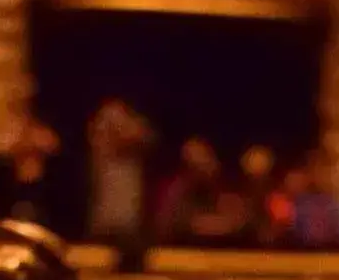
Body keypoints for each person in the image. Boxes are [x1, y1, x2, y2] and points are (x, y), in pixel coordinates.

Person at [87, 98, 153, 253]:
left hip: (130, 227)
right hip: (104, 224)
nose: (117, 126)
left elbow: (143, 136)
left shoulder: (136, 153)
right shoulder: (100, 152)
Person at [157, 137, 243, 245]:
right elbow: (169, 226)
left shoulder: (225, 189)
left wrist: (224, 224)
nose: (203, 169)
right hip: (184, 253)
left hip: (224, 253)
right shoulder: (176, 191)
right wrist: (200, 224)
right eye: (195, 166)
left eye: (206, 161)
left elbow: (239, 222)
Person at [240, 144, 292, 247]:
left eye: (260, 162)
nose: (257, 166)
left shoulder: (278, 194)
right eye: (253, 162)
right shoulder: (240, 193)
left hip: (275, 248)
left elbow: (283, 222)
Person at [286, 160, 339, 248]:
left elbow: (335, 229)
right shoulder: (301, 201)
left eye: (325, 174)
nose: (321, 178)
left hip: (328, 248)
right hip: (302, 248)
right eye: (318, 174)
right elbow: (296, 227)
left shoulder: (332, 201)